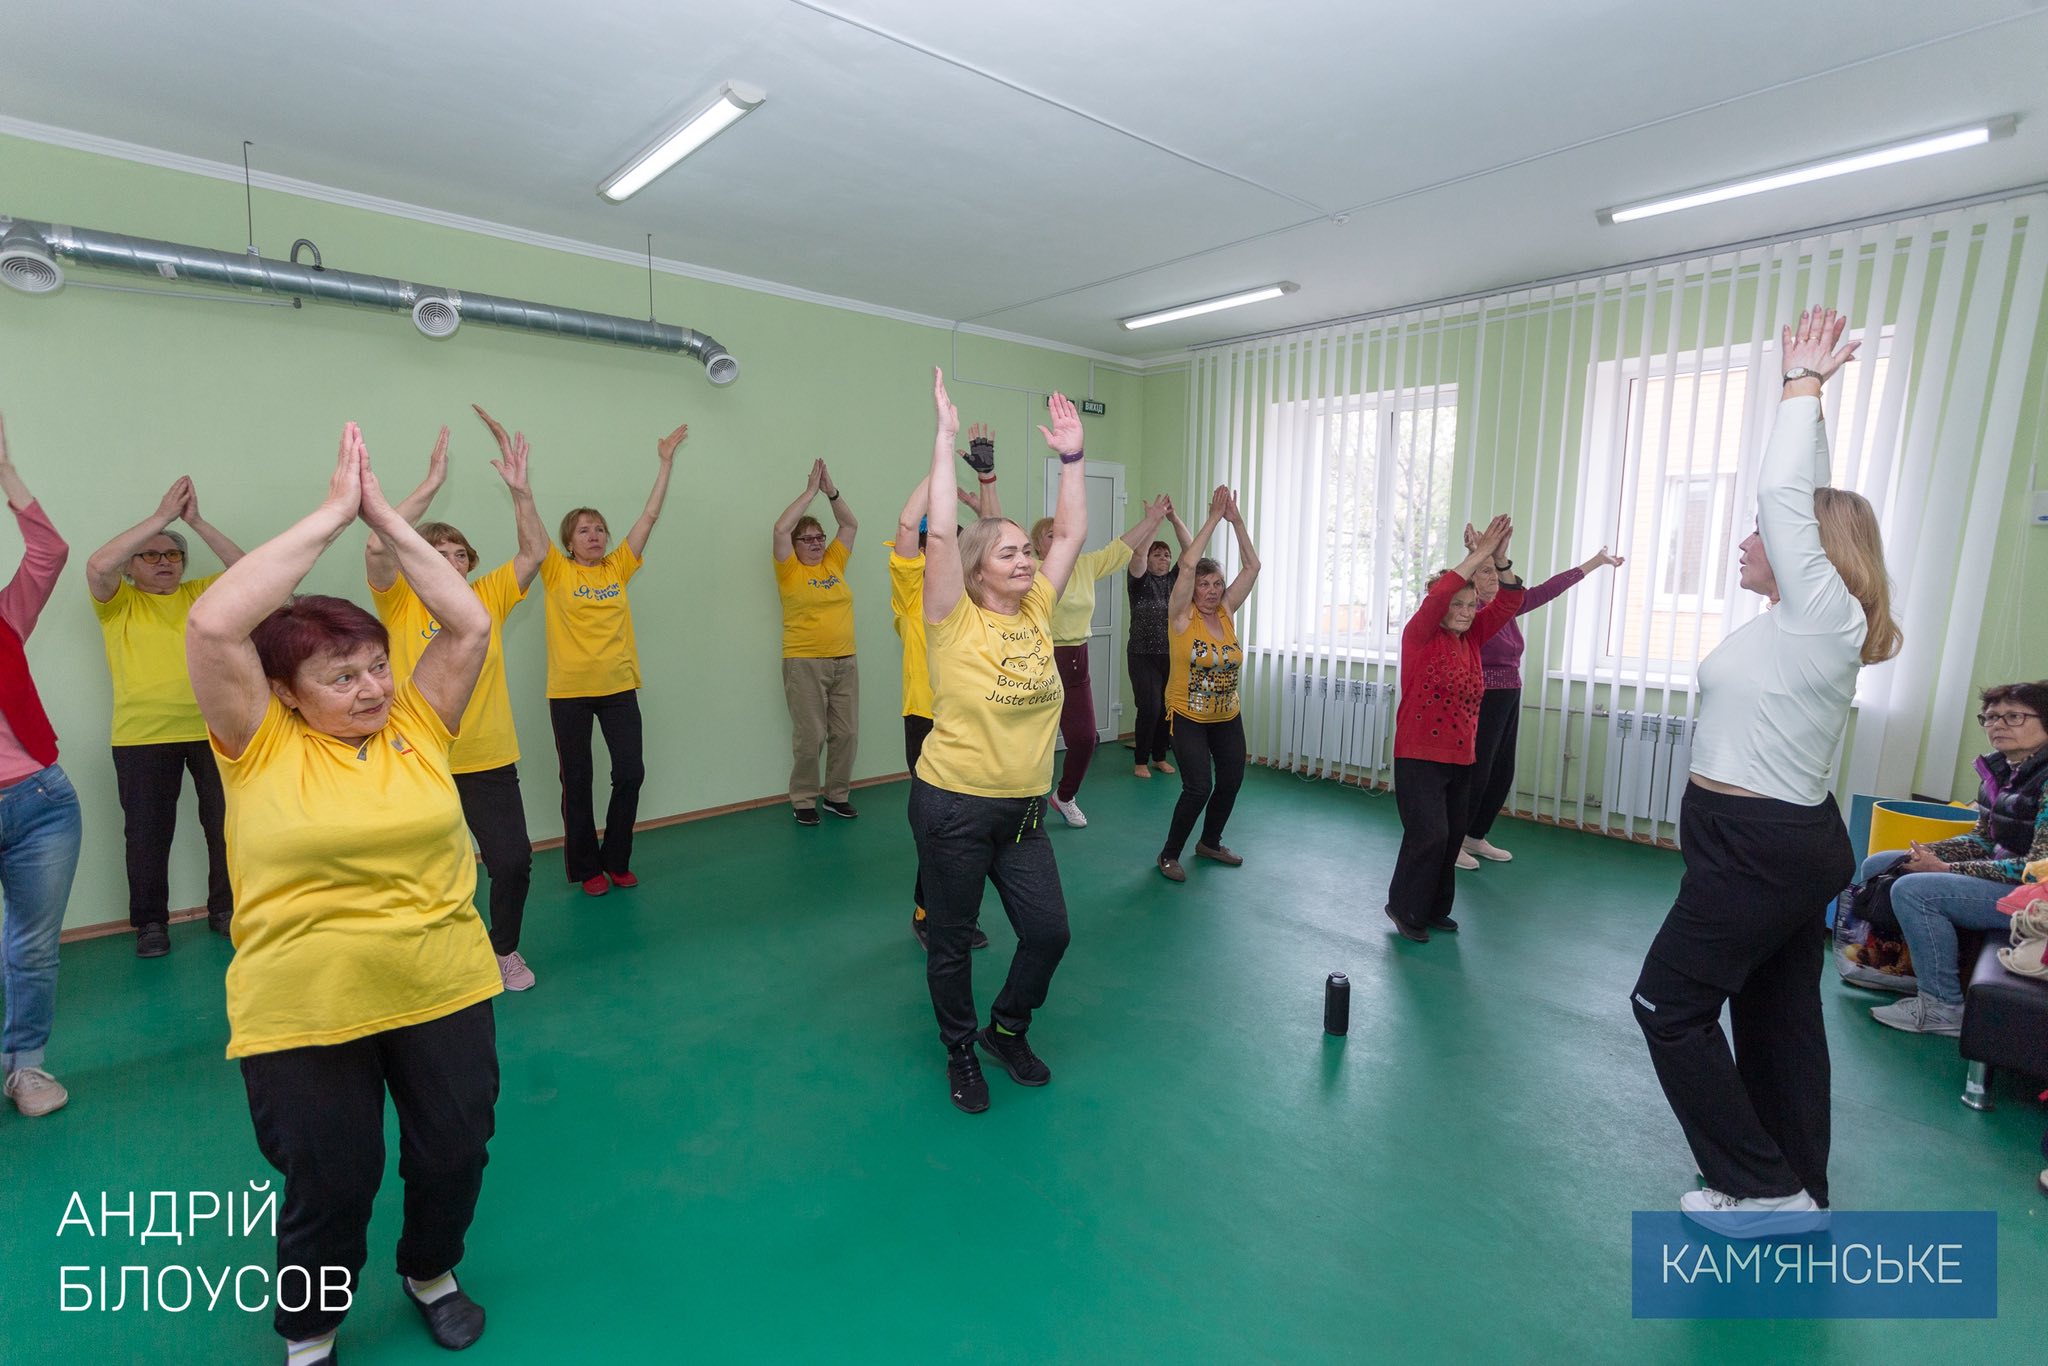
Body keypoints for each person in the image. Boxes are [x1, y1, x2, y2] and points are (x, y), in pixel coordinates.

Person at [187, 423, 502, 1363]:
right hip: (305, 1001)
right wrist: (332, 515)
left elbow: (469, 623)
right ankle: (312, 1329)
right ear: (285, 692)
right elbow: (212, 625)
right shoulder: (256, 740)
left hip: (441, 979)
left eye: (376, 666)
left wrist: (388, 520)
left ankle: (431, 1270)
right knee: (332, 1176)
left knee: (455, 1148)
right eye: (341, 677)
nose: (371, 688)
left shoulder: (419, 719)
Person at [1631, 307, 1903, 1234]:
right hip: (1766, 839)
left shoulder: (1822, 618)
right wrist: (1810, 409)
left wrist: (1802, 386)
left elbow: (1790, 495)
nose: (1748, 542)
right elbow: (1804, 500)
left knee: (1667, 1004)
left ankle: (1756, 1186)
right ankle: (1798, 1185)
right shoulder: (1796, 625)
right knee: (1778, 1016)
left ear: (1809, 554)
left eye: (1761, 532)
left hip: (1762, 845)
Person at [913, 370, 1086, 1113]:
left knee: (1048, 933)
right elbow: (940, 534)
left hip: (1022, 809)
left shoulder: (1038, 608)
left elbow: (1069, 534)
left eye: (1026, 551)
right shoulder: (953, 616)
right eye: (1009, 553)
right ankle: (959, 1050)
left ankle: (1006, 1028)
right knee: (952, 941)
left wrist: (1073, 457)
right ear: (977, 567)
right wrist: (945, 439)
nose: (1025, 560)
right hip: (952, 804)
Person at [368, 411, 550, 991]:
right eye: (436, 553)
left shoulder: (487, 597)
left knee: (512, 860)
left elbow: (535, 552)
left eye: (459, 554)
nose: (451, 561)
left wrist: (521, 492)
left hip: (487, 757)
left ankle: (503, 950)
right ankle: (424, 955)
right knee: (422, 868)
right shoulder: (398, 600)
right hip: (418, 757)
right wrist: (430, 484)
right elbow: (377, 545)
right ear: (416, 563)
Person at [85, 476, 246, 955]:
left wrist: (195, 522)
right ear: (131, 566)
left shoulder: (202, 594)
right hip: (142, 738)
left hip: (215, 731)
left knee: (226, 828)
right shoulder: (119, 604)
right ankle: (151, 924)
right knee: (147, 837)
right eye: (151, 555)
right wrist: (161, 518)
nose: (164, 561)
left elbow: (249, 570)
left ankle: (226, 910)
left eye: (173, 554)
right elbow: (98, 565)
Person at [538, 419, 685, 894]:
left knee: (630, 773)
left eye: (600, 529)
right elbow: (530, 529)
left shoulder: (618, 567)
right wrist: (521, 488)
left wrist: (665, 464)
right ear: (569, 541)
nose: (595, 535)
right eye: (584, 530)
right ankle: (587, 868)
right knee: (577, 781)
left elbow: (650, 516)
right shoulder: (556, 570)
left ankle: (616, 859)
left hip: (619, 687)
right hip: (570, 693)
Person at [1861, 681, 2048, 1035]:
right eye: (1991, 717)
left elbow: (2037, 870)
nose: (1998, 724)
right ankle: (1903, 968)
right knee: (1881, 864)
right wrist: (1928, 853)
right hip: (2007, 882)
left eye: (2014, 716)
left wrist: (1946, 868)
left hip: (2037, 899)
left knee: (1916, 892)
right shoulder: (2001, 770)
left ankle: (1942, 1006)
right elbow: (1983, 839)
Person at [1381, 516, 1522, 936]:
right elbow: (1443, 591)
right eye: (1455, 605)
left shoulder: (1473, 637)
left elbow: (1509, 602)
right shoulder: (1420, 636)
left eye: (1469, 605)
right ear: (1439, 608)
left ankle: (1434, 908)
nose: (1463, 612)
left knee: (1452, 835)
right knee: (1429, 834)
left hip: (1462, 756)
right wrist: (1478, 553)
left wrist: (1500, 561)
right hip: (1419, 756)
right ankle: (1404, 909)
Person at [0, 413, 81, 1120]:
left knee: (31, 950)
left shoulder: (6, 616)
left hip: (40, 804)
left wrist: (6, 472)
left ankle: (25, 1065)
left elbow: (50, 552)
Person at [1456, 531, 1622, 867]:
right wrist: (1477, 553)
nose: (1494, 576)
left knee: (1502, 772)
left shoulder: (1507, 607)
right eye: (1484, 571)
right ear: (1471, 577)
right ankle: (1453, 842)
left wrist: (1596, 561)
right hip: (1481, 697)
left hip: (1509, 695)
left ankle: (1475, 835)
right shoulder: (1471, 612)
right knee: (1477, 772)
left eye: (1496, 570)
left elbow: (1550, 589)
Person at [892, 423, 997, 952]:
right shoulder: (912, 594)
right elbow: (905, 524)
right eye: (936, 542)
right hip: (926, 718)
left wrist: (986, 479)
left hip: (976, 716)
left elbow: (994, 533)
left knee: (975, 823)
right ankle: (927, 911)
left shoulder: (974, 596)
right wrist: (939, 466)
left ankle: (956, 912)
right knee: (937, 825)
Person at [1038, 494, 1175, 827]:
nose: (1059, 538)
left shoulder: (1085, 565)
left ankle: (1065, 796)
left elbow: (1121, 548)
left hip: (1077, 661)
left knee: (1085, 738)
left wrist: (1153, 519)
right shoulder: (1030, 571)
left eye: (1062, 533)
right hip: (1040, 662)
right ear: (1037, 547)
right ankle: (1023, 801)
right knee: (1033, 741)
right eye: (1050, 535)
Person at [1154, 487, 1262, 881]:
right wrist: (1214, 518)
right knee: (1198, 787)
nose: (1212, 590)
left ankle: (1210, 842)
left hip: (1227, 715)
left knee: (1231, 779)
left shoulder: (1227, 610)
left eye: (1217, 583)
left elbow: (1252, 567)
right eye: (1205, 584)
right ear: (1193, 589)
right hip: (1188, 715)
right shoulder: (1181, 618)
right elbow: (1186, 565)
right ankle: (1169, 854)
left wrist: (1237, 522)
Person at [773, 459, 859, 825]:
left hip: (845, 661)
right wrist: (810, 492)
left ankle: (836, 795)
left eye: (819, 537)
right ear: (794, 546)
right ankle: (804, 798)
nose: (816, 544)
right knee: (812, 736)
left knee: (846, 733)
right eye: (807, 539)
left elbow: (849, 525)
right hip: (804, 662)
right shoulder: (789, 569)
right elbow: (780, 528)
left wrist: (831, 492)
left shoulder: (834, 563)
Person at [1126, 508, 1193, 778]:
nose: (1163, 558)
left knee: (1167, 708)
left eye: (1166, 554)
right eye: (1158, 554)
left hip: (1171, 654)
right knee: (1150, 707)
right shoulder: (1139, 581)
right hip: (1142, 654)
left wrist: (1174, 519)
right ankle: (1140, 761)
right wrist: (1153, 522)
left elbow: (1190, 549)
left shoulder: (1175, 581)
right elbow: (1138, 554)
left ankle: (1159, 757)